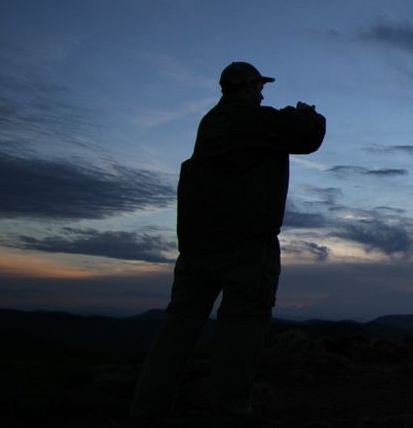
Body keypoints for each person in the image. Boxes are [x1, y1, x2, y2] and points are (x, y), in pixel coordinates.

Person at [131, 61, 326, 423]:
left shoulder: (210, 124)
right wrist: (306, 114)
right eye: (259, 87)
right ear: (248, 88)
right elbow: (308, 136)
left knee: (178, 330)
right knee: (241, 333)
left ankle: (147, 411)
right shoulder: (252, 120)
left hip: (197, 249)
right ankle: (228, 412)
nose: (262, 93)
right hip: (246, 249)